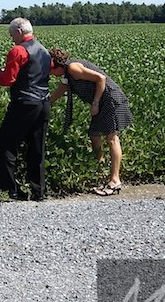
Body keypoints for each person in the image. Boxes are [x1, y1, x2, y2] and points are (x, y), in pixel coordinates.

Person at [47, 48, 132, 195]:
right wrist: (46, 103)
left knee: (112, 138)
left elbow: (101, 79)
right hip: (103, 102)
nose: (50, 74)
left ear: (56, 65)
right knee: (94, 134)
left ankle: (115, 180)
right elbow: (61, 89)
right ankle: (100, 168)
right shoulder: (68, 72)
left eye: (50, 70)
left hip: (109, 100)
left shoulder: (73, 67)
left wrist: (95, 103)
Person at [0, 18, 51, 200]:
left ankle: (9, 189)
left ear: (19, 31)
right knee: (36, 148)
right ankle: (38, 191)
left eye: (12, 35)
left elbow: (8, 80)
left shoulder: (18, 50)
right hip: (44, 102)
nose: (12, 39)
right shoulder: (44, 50)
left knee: (7, 145)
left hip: (24, 103)